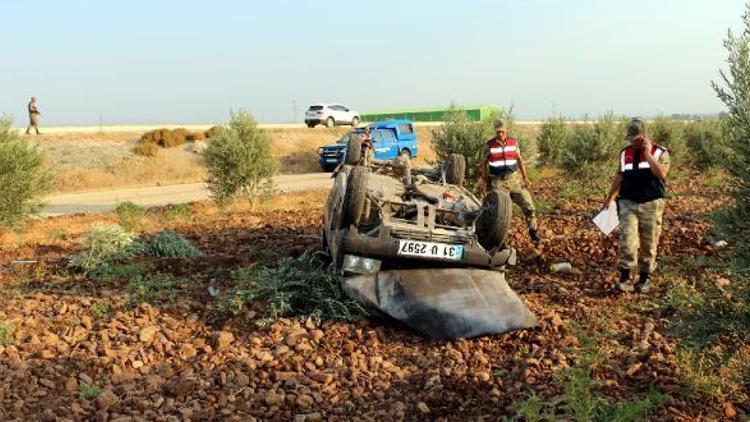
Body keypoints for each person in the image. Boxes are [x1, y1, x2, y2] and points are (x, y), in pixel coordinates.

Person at [603, 118, 671, 293]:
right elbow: (620, 176)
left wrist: (648, 154)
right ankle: (625, 277)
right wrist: (610, 197)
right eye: (631, 138)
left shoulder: (660, 153)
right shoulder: (625, 153)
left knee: (649, 241)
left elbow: (662, 173)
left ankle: (645, 278)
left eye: (636, 138)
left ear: (644, 136)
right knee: (627, 239)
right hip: (628, 202)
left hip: (652, 203)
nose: (633, 142)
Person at [480, 121, 540, 243]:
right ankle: (498, 239)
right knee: (500, 212)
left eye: (502, 131)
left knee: (527, 202)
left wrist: (525, 177)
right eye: (498, 132)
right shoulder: (489, 145)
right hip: (498, 182)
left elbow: (519, 160)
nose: (500, 134)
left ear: (506, 130)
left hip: (513, 180)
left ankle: (533, 230)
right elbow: (483, 164)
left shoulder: (513, 143)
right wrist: (484, 182)